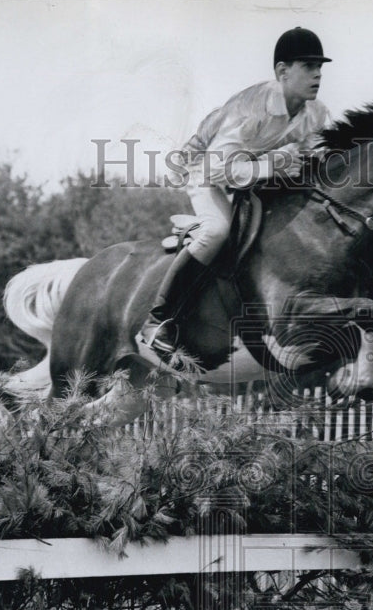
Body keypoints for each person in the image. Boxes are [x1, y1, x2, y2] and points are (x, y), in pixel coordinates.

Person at [140, 27, 333, 364]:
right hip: (207, 173)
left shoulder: (316, 113)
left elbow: (314, 157)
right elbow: (217, 170)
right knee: (216, 231)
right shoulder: (251, 109)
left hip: (253, 177)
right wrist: (275, 165)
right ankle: (158, 320)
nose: (317, 74)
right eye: (308, 66)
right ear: (282, 71)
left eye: (319, 67)